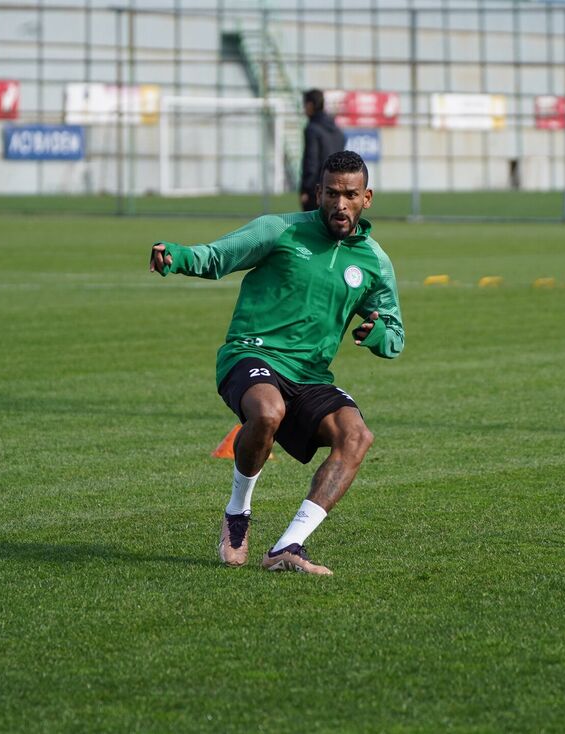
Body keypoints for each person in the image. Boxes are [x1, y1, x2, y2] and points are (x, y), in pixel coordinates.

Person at [148, 151, 404, 576]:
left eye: (351, 195)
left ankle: (288, 546)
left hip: (310, 376)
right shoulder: (280, 229)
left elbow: (395, 333)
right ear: (318, 193)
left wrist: (378, 334)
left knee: (357, 436)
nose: (340, 204)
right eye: (332, 194)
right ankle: (237, 513)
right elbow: (218, 256)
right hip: (252, 353)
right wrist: (176, 255)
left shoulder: (373, 261)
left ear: (367, 198)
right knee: (268, 411)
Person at [299, 89, 346, 212]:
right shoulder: (337, 130)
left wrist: (306, 190)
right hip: (336, 188)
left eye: (304, 105)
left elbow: (311, 161)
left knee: (312, 228)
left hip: (317, 190)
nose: (304, 109)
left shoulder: (312, 129)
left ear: (310, 105)